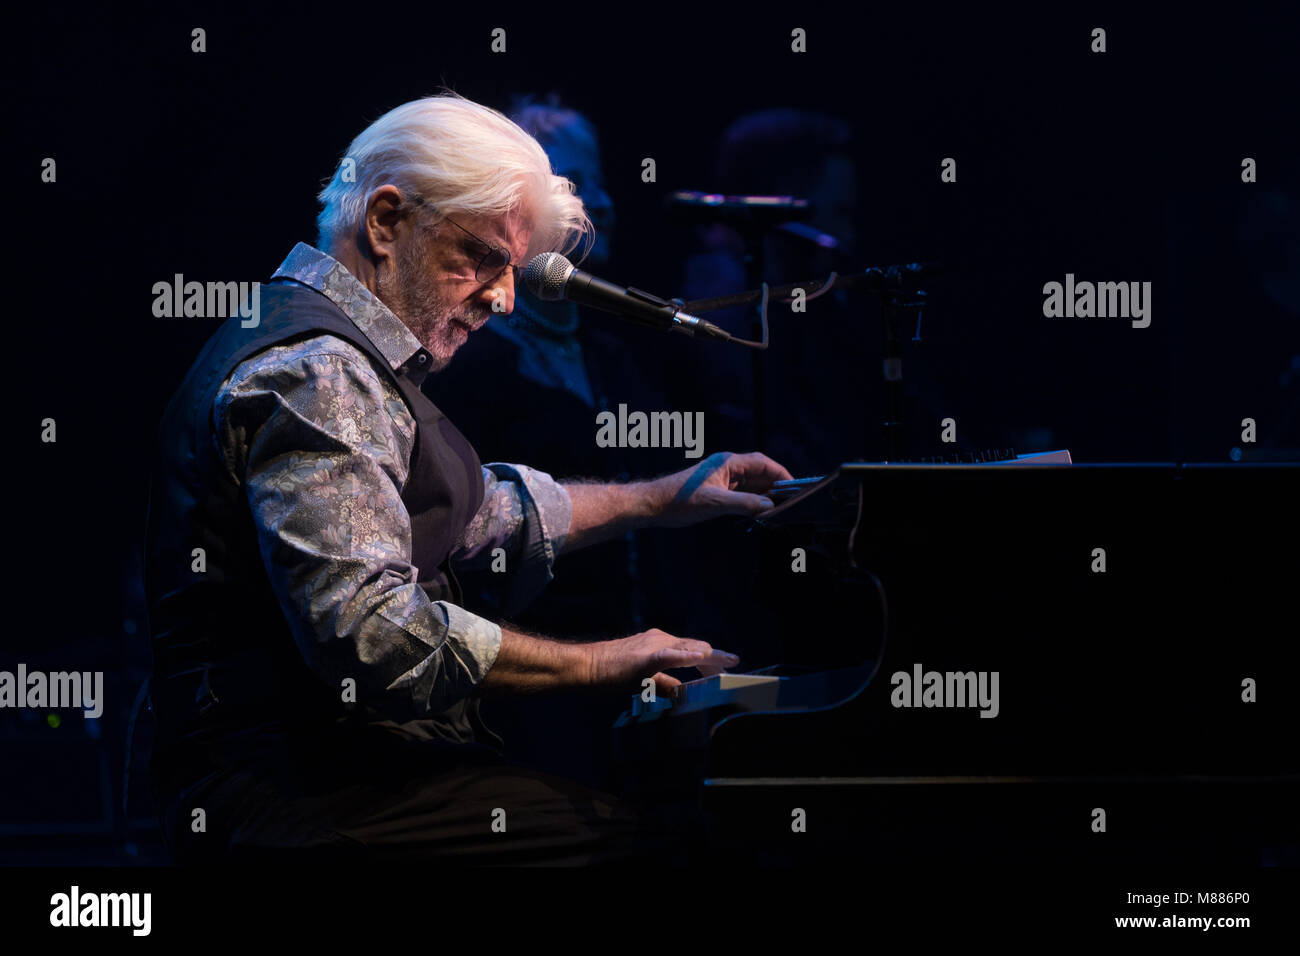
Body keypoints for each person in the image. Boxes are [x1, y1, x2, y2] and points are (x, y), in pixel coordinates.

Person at [143, 91, 791, 865]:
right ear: (385, 221)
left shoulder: (340, 352)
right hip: (285, 790)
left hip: (328, 771)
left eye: (513, 270)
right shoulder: (322, 371)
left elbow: (481, 513)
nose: (505, 298)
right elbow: (373, 633)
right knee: (648, 843)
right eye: (485, 257)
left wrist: (659, 497)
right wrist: (600, 660)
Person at [424, 95, 673, 787]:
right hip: (531, 690)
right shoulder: (467, 364)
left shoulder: (619, 355)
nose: (600, 202)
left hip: (635, 672)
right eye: (571, 183)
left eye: (599, 182)